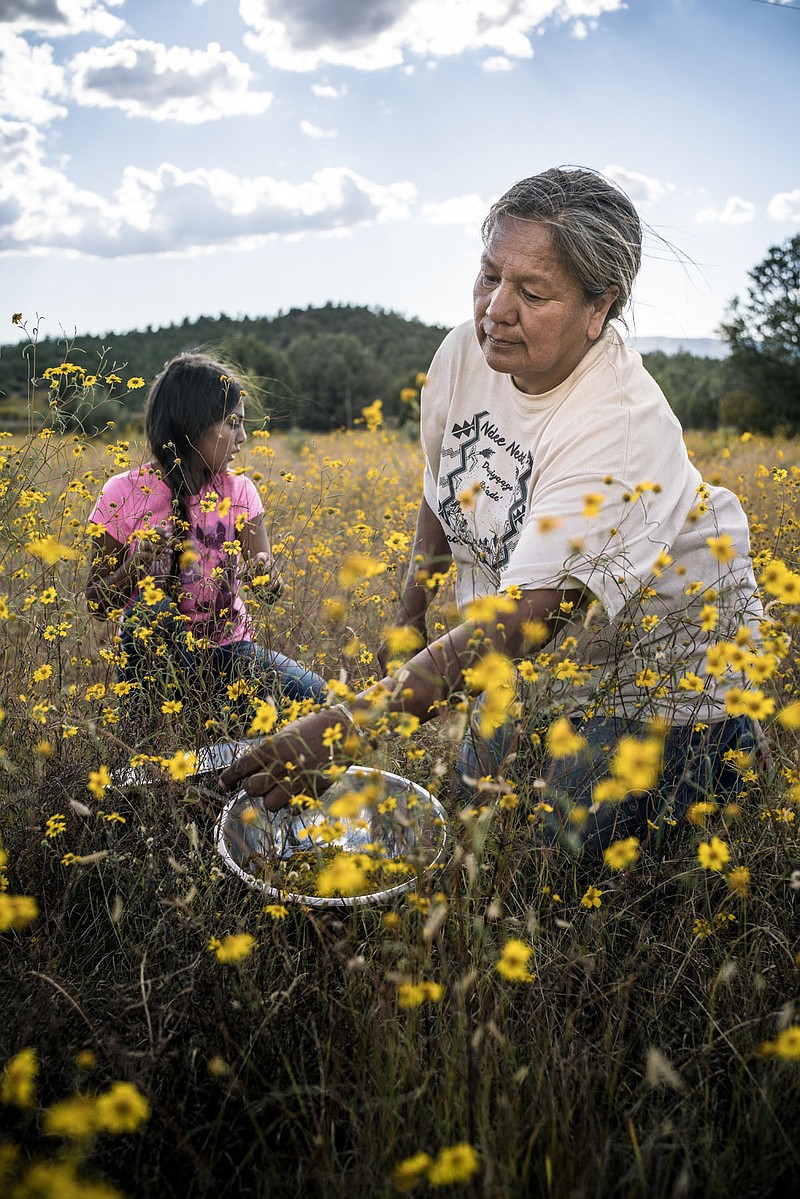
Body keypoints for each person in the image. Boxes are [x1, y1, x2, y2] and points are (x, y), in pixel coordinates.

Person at [221, 167, 763, 860]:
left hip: (657, 669)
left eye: (532, 292)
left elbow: (532, 614)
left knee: (551, 856)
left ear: (600, 308)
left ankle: (724, 755)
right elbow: (444, 480)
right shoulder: (466, 352)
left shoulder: (620, 424)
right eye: (488, 275)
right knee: (481, 808)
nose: (495, 308)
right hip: (539, 655)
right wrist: (410, 611)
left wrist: (346, 725)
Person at [86, 352, 326, 722]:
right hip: (155, 667)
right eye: (232, 424)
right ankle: (150, 729)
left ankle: (211, 727)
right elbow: (96, 604)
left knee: (320, 700)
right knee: (150, 611)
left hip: (228, 656)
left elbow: (270, 588)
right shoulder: (122, 492)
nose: (242, 437)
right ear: (193, 425)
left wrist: (266, 576)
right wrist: (135, 568)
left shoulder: (241, 491)